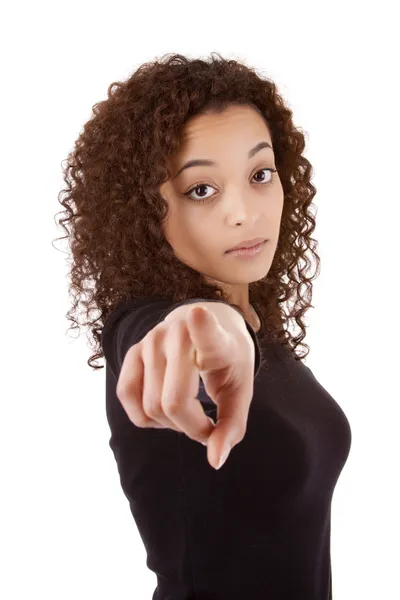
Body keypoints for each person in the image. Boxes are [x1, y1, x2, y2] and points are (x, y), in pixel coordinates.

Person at [54, 52, 352, 599]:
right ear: (146, 211)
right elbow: (176, 331)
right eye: (201, 189)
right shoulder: (153, 323)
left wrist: (240, 326)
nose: (244, 211)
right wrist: (216, 326)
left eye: (260, 175)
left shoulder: (260, 325)